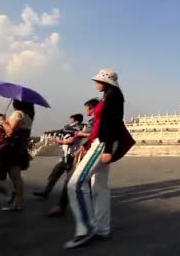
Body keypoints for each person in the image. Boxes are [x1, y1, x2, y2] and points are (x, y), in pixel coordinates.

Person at [65, 69, 125, 249]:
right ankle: (102, 228)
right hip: (100, 141)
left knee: (75, 184)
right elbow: (100, 124)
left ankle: (86, 227)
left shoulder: (113, 98)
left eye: (97, 80)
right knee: (99, 186)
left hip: (104, 143)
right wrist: (88, 142)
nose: (95, 83)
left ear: (106, 82)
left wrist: (106, 148)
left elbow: (113, 123)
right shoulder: (109, 97)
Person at [46, 99, 99, 218]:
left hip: (92, 153)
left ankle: (62, 205)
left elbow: (96, 135)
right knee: (83, 180)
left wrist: (81, 134)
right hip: (87, 151)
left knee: (73, 179)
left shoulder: (97, 120)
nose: (86, 111)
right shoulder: (93, 120)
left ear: (93, 108)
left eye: (88, 108)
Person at [33, 114, 85, 200]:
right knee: (54, 174)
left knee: (69, 179)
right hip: (65, 156)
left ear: (75, 120)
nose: (69, 121)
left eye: (71, 119)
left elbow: (71, 141)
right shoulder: (68, 129)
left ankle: (66, 198)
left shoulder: (78, 129)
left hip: (72, 157)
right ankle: (46, 192)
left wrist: (59, 141)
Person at [0, 100, 35, 212]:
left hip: (12, 148)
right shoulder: (28, 116)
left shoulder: (18, 114)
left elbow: (10, 132)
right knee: (16, 177)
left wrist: (2, 121)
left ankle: (18, 202)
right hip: (19, 148)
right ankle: (17, 201)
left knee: (15, 177)